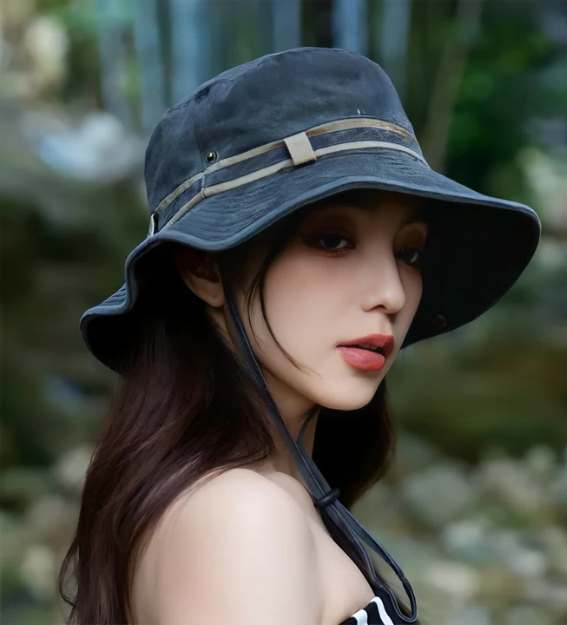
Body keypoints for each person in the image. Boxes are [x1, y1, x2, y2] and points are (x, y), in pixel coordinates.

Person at [58, 46, 541, 625]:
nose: (391, 293)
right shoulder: (242, 517)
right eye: (332, 240)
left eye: (408, 252)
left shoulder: (252, 498)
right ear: (204, 267)